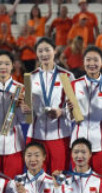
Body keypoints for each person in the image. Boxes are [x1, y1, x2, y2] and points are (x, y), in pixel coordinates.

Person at [25, 38, 75, 172]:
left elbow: (75, 112)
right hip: (36, 136)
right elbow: (27, 116)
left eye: (47, 50)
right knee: (36, 181)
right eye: (40, 51)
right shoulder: (30, 78)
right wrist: (25, 108)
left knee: (58, 180)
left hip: (60, 136)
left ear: (55, 51)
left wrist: (61, 112)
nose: (44, 54)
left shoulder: (66, 76)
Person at [72, 46, 102, 177]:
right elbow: (68, 118)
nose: (92, 63)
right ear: (83, 62)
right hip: (78, 145)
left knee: (101, 186)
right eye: (88, 60)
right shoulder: (74, 85)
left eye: (95, 60)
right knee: (79, 185)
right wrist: (68, 111)